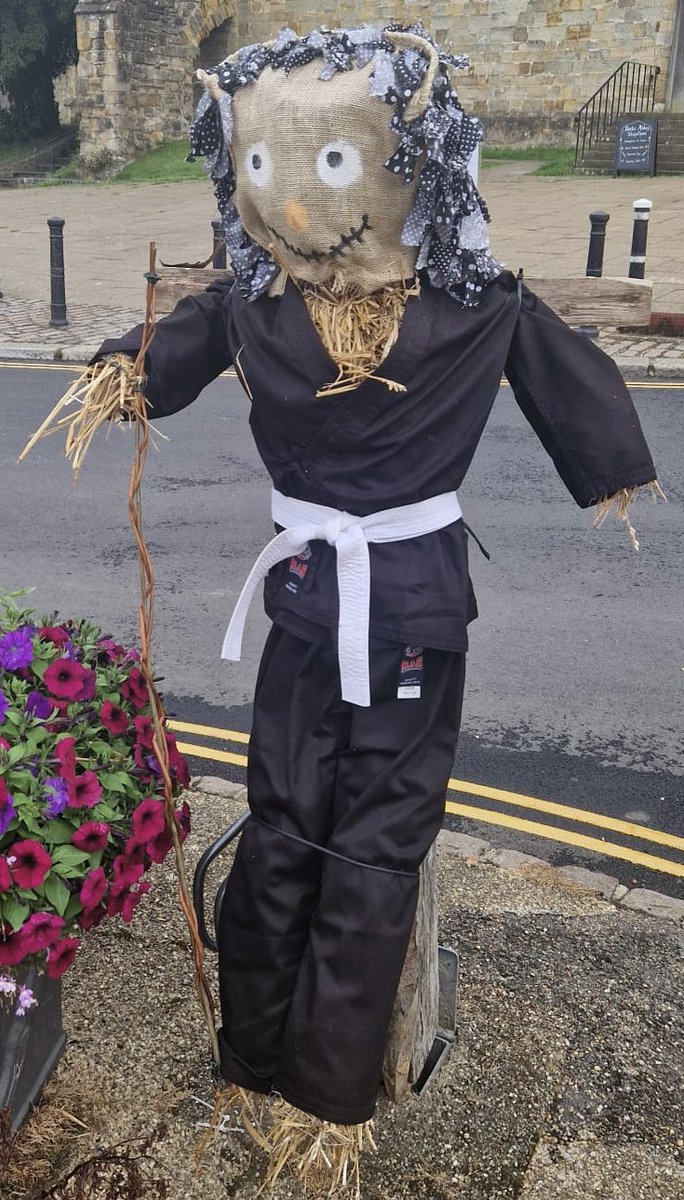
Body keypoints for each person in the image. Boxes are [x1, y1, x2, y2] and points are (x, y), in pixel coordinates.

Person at [92, 21, 658, 1189]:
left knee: (287, 819)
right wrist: (613, 471)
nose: (293, 205)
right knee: (371, 847)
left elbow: (146, 361)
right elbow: (588, 413)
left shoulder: (254, 311)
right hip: (402, 610)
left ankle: (258, 1066)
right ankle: (322, 1099)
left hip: (315, 608)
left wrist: (117, 374)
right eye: (267, 171)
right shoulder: (476, 307)